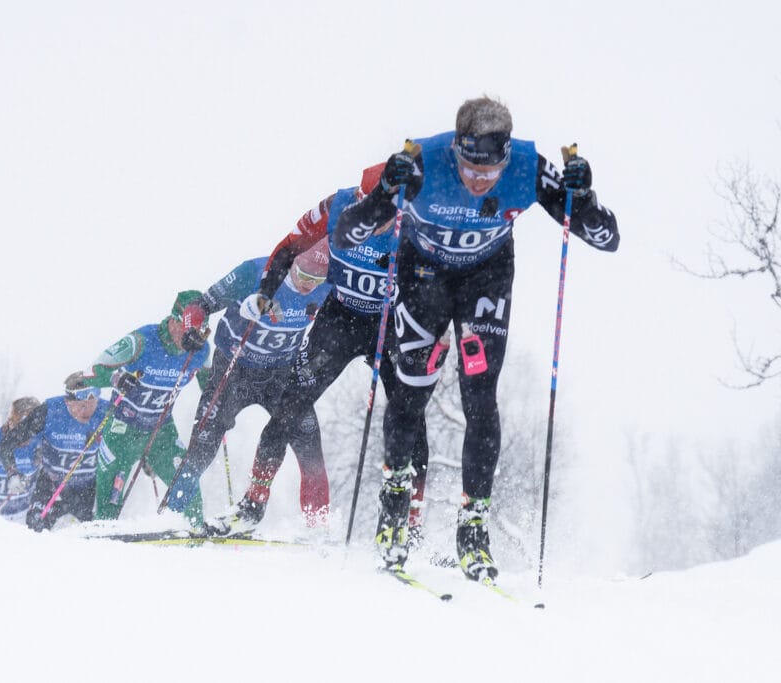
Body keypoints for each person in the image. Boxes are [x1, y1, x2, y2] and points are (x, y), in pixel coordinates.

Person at [332, 96, 620, 579]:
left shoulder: (529, 167)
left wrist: (584, 199)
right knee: (410, 391)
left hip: (486, 277)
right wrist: (385, 193)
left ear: (507, 156)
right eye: (469, 167)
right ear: (455, 151)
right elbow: (345, 237)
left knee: (480, 398)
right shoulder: (422, 162)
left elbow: (607, 239)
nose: (480, 180)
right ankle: (395, 504)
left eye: (491, 170)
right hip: (424, 274)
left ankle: (473, 529)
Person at [208, 166, 433, 538]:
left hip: (392, 324)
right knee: (289, 406)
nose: (369, 220)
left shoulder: (418, 221)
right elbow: (288, 246)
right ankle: (253, 504)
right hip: (341, 319)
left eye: (381, 212)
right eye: (366, 207)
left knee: (410, 417)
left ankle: (409, 525)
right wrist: (266, 289)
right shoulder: (338, 204)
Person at [160, 242, 332, 530]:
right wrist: (191, 330)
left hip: (280, 375)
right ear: (292, 263)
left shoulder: (331, 284)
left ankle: (317, 525)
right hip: (234, 369)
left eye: (316, 281)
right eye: (302, 275)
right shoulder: (254, 272)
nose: (306, 285)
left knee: (309, 444)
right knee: (203, 443)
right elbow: (199, 306)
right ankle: (170, 516)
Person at [66, 293, 212, 529]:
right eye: (188, 331)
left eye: (199, 331)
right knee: (107, 510)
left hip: (161, 430)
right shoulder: (141, 341)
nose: (191, 339)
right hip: (122, 430)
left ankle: (191, 536)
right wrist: (117, 378)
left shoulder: (201, 350)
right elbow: (95, 370)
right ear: (174, 321)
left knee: (188, 485)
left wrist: (218, 404)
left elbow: (211, 385)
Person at [0, 387, 114, 531]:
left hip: (84, 488)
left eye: (90, 403)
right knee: (36, 525)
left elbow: (129, 440)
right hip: (51, 483)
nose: (83, 411)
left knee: (82, 528)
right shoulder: (49, 413)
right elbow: (7, 443)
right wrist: (12, 472)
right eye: (79, 403)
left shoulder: (106, 412)